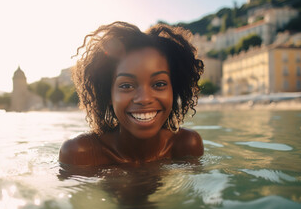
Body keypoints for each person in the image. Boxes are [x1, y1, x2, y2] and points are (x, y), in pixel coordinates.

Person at [59, 21, 204, 166]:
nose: (144, 99)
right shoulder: (80, 153)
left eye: (159, 84)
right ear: (108, 94)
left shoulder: (186, 145)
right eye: (126, 85)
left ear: (174, 89)